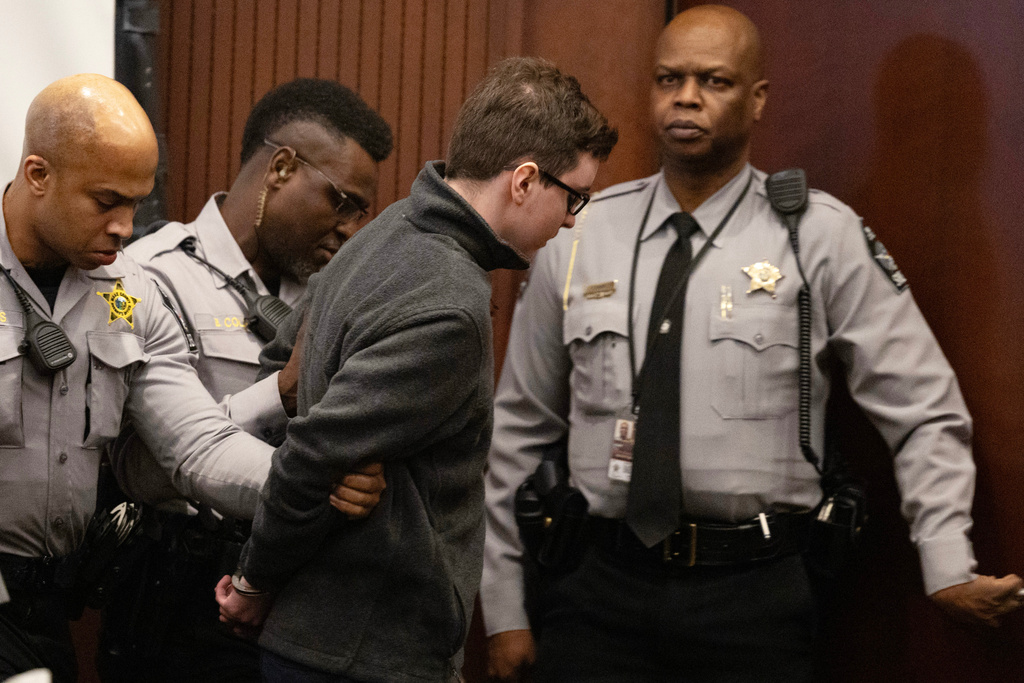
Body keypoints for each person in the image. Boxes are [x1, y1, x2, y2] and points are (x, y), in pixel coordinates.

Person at [479, 6, 1024, 683]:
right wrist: (503, 608)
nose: (686, 96)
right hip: (597, 589)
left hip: (753, 598)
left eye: (714, 81)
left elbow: (923, 407)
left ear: (758, 99)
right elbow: (516, 432)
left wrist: (946, 562)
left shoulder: (818, 236)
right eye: (669, 78)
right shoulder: (582, 237)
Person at [215, 56, 618, 682]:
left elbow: (282, 373)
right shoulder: (450, 305)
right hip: (368, 651)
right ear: (525, 180)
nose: (572, 220)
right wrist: (252, 580)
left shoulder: (392, 225)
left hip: (324, 639)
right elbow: (313, 450)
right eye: (575, 198)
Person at [98, 79, 394, 682]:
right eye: (342, 202)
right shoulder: (151, 277)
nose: (351, 228)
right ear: (281, 167)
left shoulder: (326, 294)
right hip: (179, 589)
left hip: (296, 592)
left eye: (362, 213)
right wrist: (279, 392)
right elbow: (146, 464)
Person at [0, 74, 284, 682]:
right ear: (38, 175)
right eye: (106, 202)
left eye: (136, 202)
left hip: (50, 613)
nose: (127, 227)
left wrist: (308, 481)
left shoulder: (131, 295)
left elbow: (198, 444)